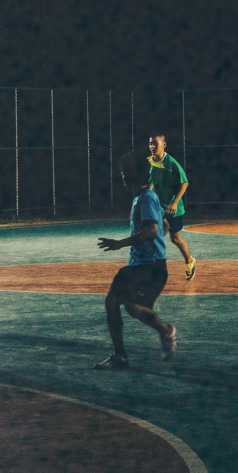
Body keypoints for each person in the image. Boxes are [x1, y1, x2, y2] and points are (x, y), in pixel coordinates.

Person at [95, 150, 177, 369]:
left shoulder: (147, 197)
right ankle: (123, 354)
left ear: (133, 174)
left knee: (123, 304)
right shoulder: (144, 197)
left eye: (124, 172)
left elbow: (152, 229)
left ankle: (161, 333)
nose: (121, 176)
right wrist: (158, 238)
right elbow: (164, 225)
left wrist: (121, 243)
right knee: (121, 304)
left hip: (149, 267)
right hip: (144, 265)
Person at [148, 131, 196, 280]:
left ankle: (189, 260)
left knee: (175, 239)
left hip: (172, 208)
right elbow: (152, 181)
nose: (152, 146)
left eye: (155, 143)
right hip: (159, 208)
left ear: (164, 145)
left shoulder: (171, 162)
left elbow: (185, 182)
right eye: (150, 143)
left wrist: (174, 202)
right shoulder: (152, 161)